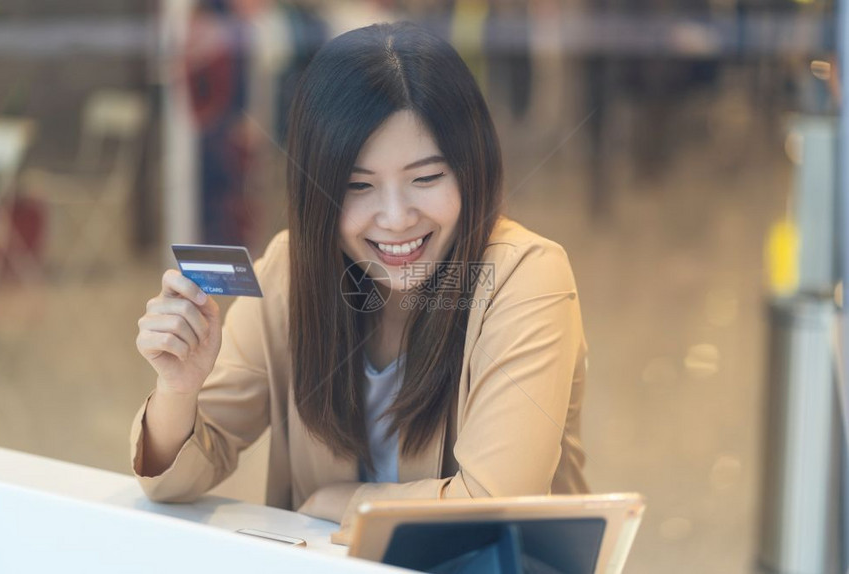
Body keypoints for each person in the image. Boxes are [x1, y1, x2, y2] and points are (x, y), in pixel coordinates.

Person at [131, 20, 588, 545]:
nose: (395, 218)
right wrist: (178, 388)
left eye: (426, 178)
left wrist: (352, 502)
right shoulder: (289, 269)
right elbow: (176, 481)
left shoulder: (525, 276)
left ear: (472, 169)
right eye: (358, 186)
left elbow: (495, 508)